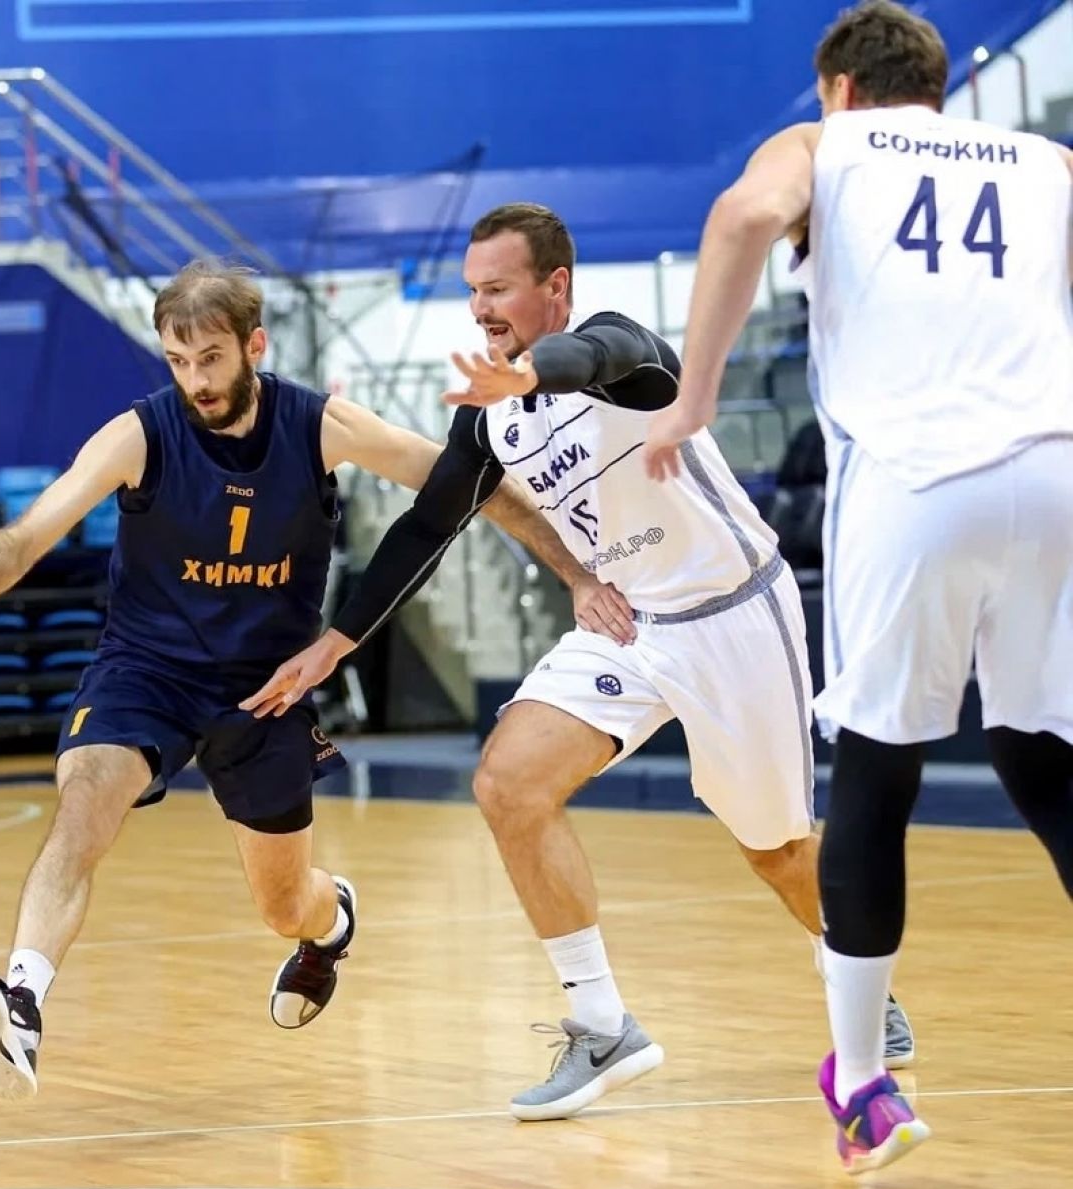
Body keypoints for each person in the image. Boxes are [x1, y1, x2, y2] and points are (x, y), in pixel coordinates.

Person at [0, 258, 619, 1102]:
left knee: (284, 906)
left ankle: (331, 921)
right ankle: (22, 1003)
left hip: (267, 690)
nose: (195, 380)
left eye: (211, 359)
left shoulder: (319, 426)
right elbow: (32, 530)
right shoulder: (140, 435)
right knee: (84, 804)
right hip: (146, 673)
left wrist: (576, 572)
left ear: (254, 346)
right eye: (178, 361)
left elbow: (471, 483)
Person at [242, 203, 913, 1121]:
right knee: (508, 784)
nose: (480, 308)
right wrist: (334, 642)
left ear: (553, 285)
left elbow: (591, 356)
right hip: (630, 625)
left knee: (777, 850)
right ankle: (603, 1026)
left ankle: (862, 986)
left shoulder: (625, 353)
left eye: (498, 288)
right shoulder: (493, 419)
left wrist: (528, 372)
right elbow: (428, 527)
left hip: (735, 615)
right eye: (473, 291)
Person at [640, 0, 1073, 1174]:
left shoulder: (824, 143)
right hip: (1054, 479)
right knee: (1044, 760)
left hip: (918, 480)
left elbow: (741, 216)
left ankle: (861, 1082)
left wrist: (692, 401)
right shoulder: (1043, 159)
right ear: (939, 87)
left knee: (879, 774)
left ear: (839, 87)